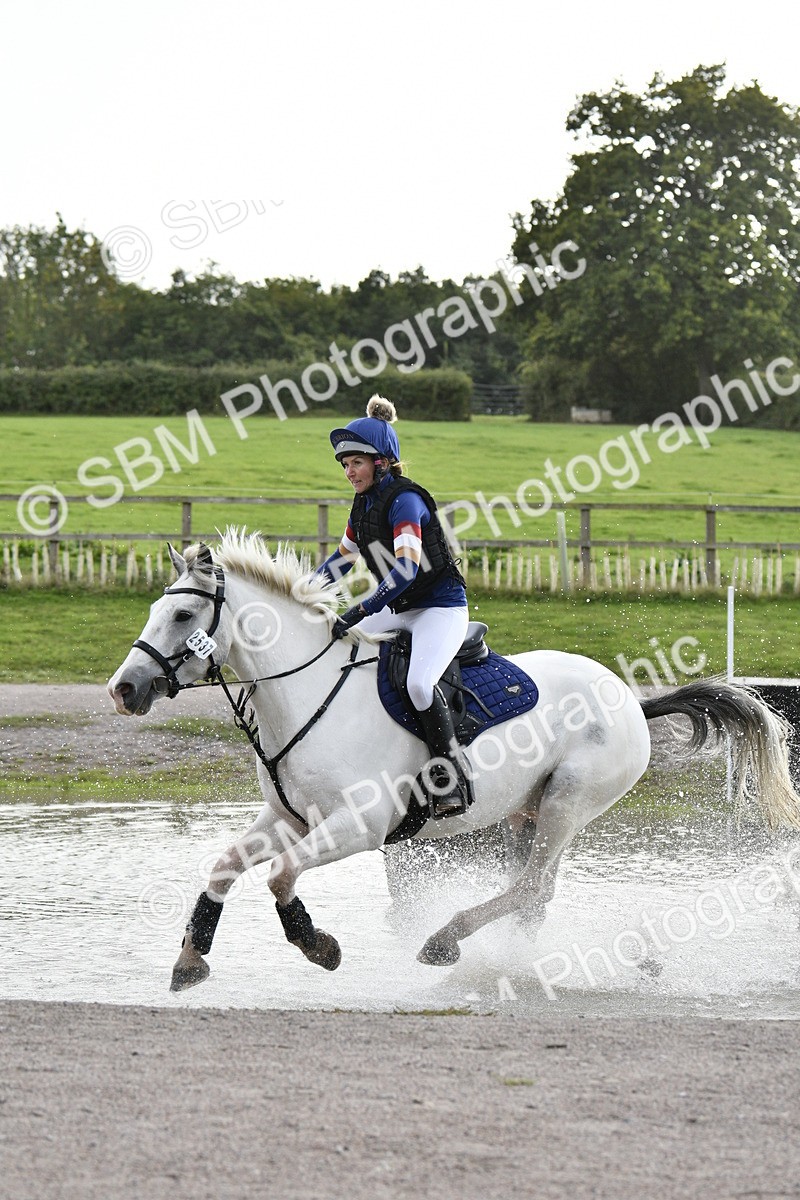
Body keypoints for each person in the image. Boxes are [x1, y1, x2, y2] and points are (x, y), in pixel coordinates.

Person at [317, 395, 471, 818]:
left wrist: (360, 610)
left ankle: (450, 776)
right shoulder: (362, 504)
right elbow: (341, 561)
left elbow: (405, 569)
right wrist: (305, 592)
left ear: (381, 462)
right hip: (401, 606)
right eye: (344, 465)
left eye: (356, 464)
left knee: (420, 684)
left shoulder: (406, 501)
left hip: (440, 608)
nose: (349, 472)